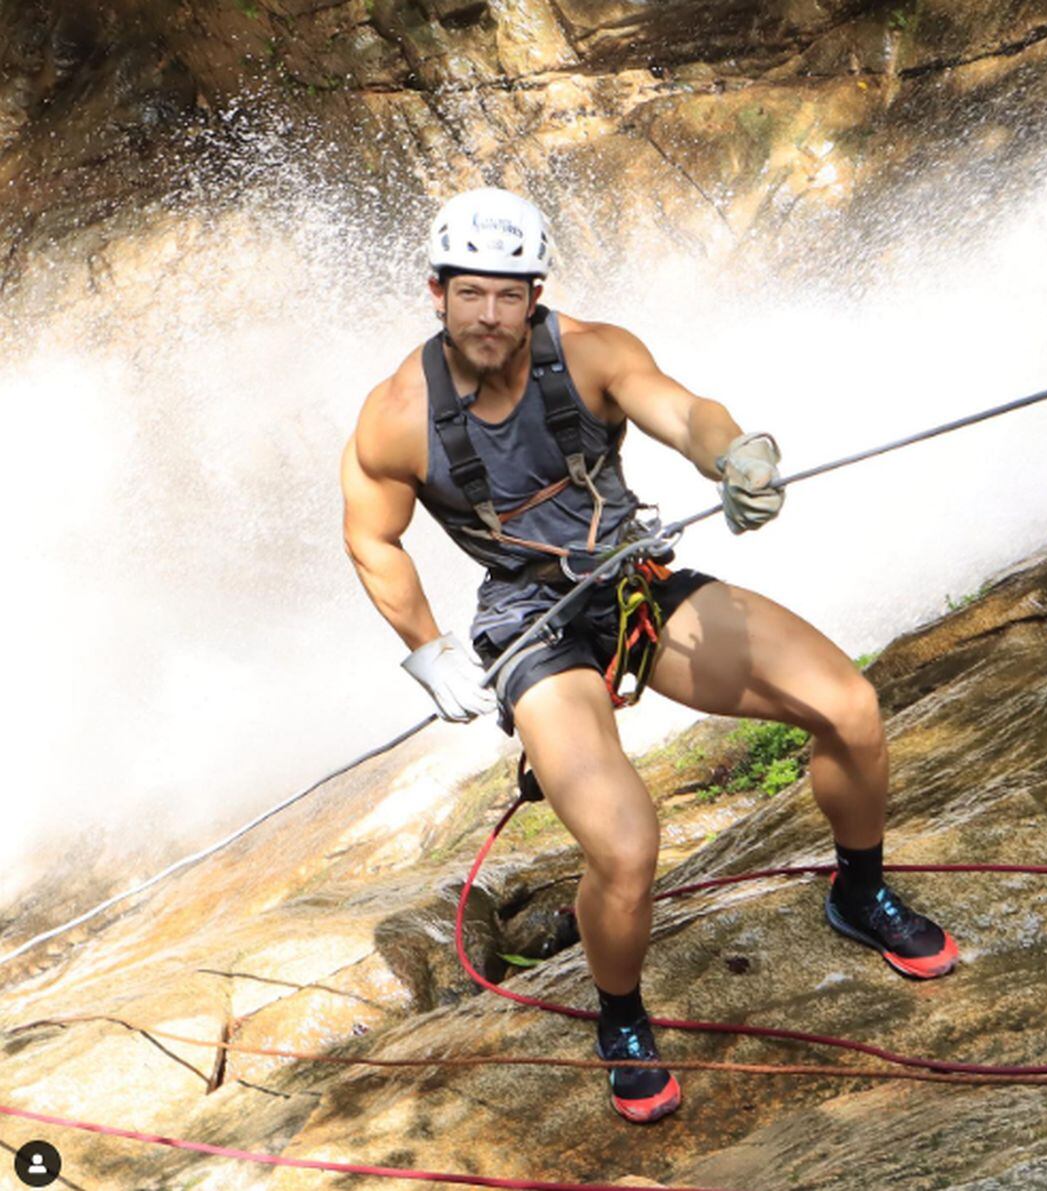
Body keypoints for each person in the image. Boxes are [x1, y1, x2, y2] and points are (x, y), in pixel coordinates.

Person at [341, 187, 957, 1125]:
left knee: (850, 706)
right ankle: (620, 1018)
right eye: (472, 293)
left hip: (634, 582)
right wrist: (426, 648)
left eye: (510, 294)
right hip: (532, 628)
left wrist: (737, 455)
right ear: (436, 292)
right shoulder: (394, 416)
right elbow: (372, 539)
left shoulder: (592, 351)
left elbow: (682, 410)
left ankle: (860, 891)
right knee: (626, 843)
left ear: (536, 292)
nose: (491, 315)